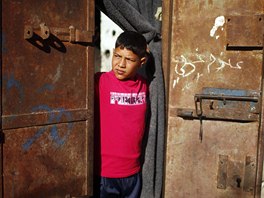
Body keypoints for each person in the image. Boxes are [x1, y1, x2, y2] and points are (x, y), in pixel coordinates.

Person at [94, 31, 149, 198]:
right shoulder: (99, 82)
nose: (121, 64)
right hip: (104, 173)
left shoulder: (146, 86)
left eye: (130, 60)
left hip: (133, 172)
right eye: (117, 56)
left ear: (142, 62)